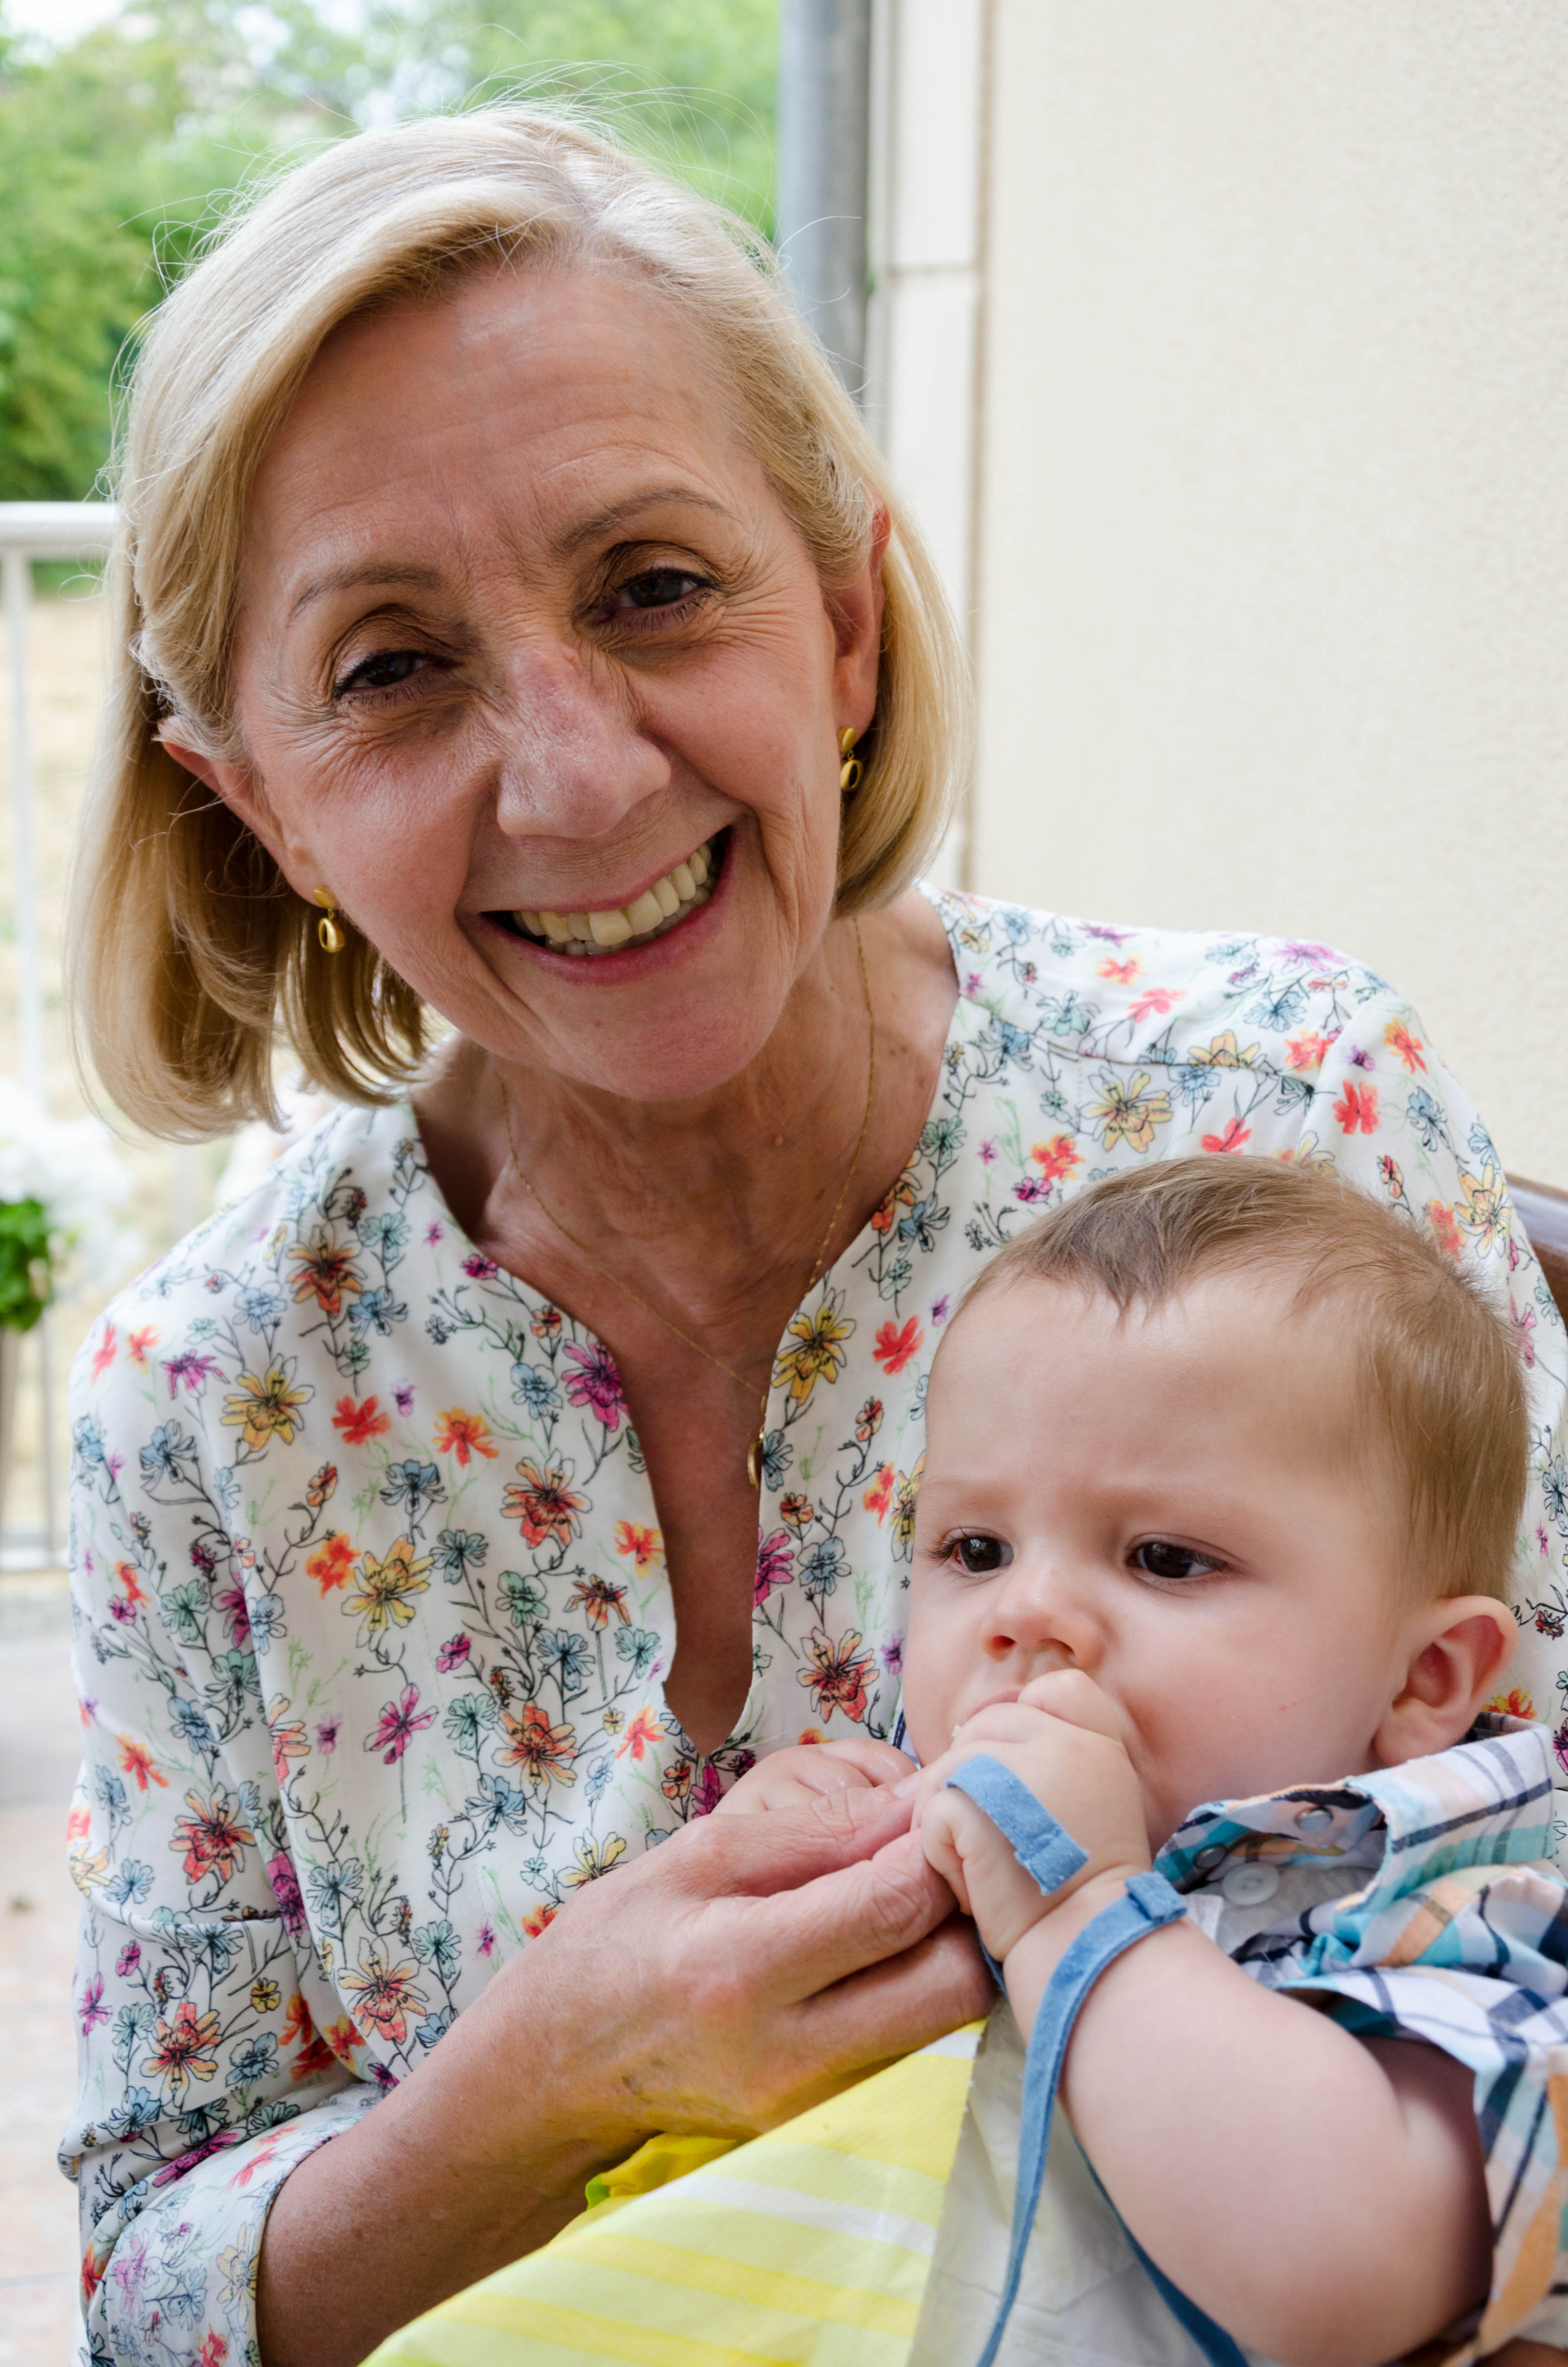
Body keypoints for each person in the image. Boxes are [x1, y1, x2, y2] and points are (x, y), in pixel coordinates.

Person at [56, 101, 1568, 2367]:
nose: (579, 775)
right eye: (388, 665)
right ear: (254, 799)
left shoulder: (1283, 1105)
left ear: (845, 627)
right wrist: (538, 2079)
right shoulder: (214, 1400)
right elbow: (155, 2291)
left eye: (654, 587)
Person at [711, 1157, 1568, 2363]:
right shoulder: (932, 1839)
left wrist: (1079, 1905)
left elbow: (1337, 2277)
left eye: (1164, 1559)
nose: (1026, 1611)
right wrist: (783, 1898)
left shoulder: (1444, 1923)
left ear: (1419, 1679)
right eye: (974, 1548)